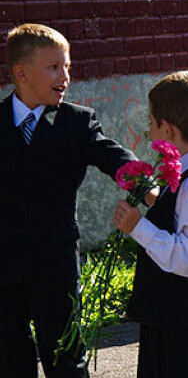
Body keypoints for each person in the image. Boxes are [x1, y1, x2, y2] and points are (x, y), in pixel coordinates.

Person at [0, 24, 136, 377]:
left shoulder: (76, 122)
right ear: (21, 73)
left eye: (68, 67)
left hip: (54, 266)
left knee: (65, 359)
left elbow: (110, 154)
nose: (65, 76)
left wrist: (142, 180)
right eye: (54, 67)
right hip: (5, 266)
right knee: (9, 357)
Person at [112, 71, 188, 378]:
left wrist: (139, 227)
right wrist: (159, 203)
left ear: (167, 129)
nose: (149, 135)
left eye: (151, 125)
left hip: (183, 323)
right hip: (183, 318)